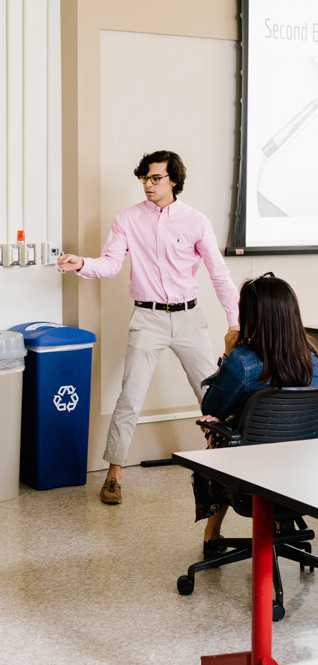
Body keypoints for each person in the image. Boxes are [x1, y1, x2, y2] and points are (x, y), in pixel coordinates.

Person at [56, 150, 239, 504]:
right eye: (144, 178)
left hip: (189, 318)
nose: (148, 184)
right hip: (148, 318)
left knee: (215, 397)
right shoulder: (127, 219)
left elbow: (219, 275)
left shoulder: (195, 221)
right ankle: (113, 474)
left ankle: (229, 465)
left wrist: (234, 323)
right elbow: (110, 265)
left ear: (174, 180)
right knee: (130, 397)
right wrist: (81, 263)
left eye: (155, 178)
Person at [194, 273, 318, 556]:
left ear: (251, 317)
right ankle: (281, 523)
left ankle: (212, 533)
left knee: (216, 437)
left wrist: (226, 355)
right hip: (303, 474)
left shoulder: (242, 361)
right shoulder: (313, 359)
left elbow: (209, 407)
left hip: (250, 476)